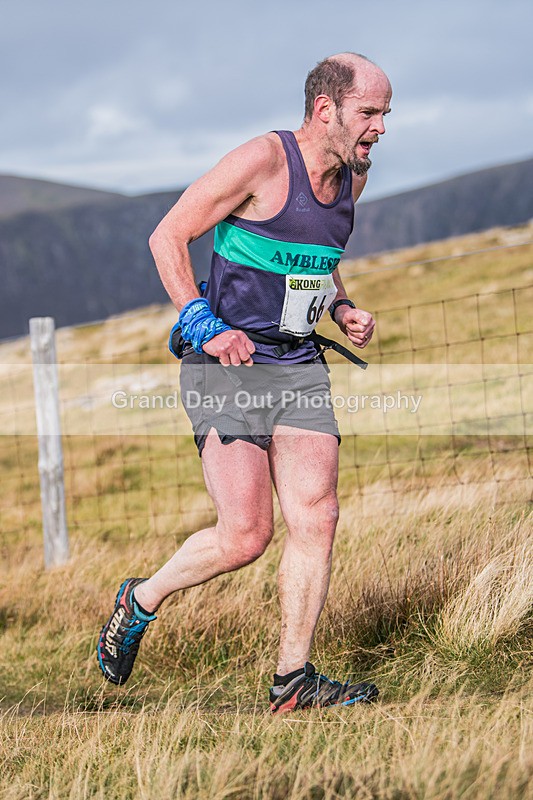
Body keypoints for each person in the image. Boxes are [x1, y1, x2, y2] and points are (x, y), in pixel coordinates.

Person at [97, 52, 392, 712]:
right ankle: (140, 599)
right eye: (369, 113)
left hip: (296, 366)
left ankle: (292, 682)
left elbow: (320, 257)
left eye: (384, 115)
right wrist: (203, 322)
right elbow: (167, 236)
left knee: (317, 516)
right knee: (245, 537)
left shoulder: (354, 177)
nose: (379, 128)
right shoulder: (262, 160)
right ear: (326, 110)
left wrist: (341, 308)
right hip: (226, 366)